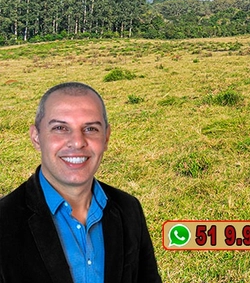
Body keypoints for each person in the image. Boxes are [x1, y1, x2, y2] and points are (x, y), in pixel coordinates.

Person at [0, 82, 161, 283]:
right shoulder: (4, 221)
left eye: (91, 128)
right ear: (36, 137)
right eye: (60, 128)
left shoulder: (129, 208)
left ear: (106, 137)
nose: (77, 142)